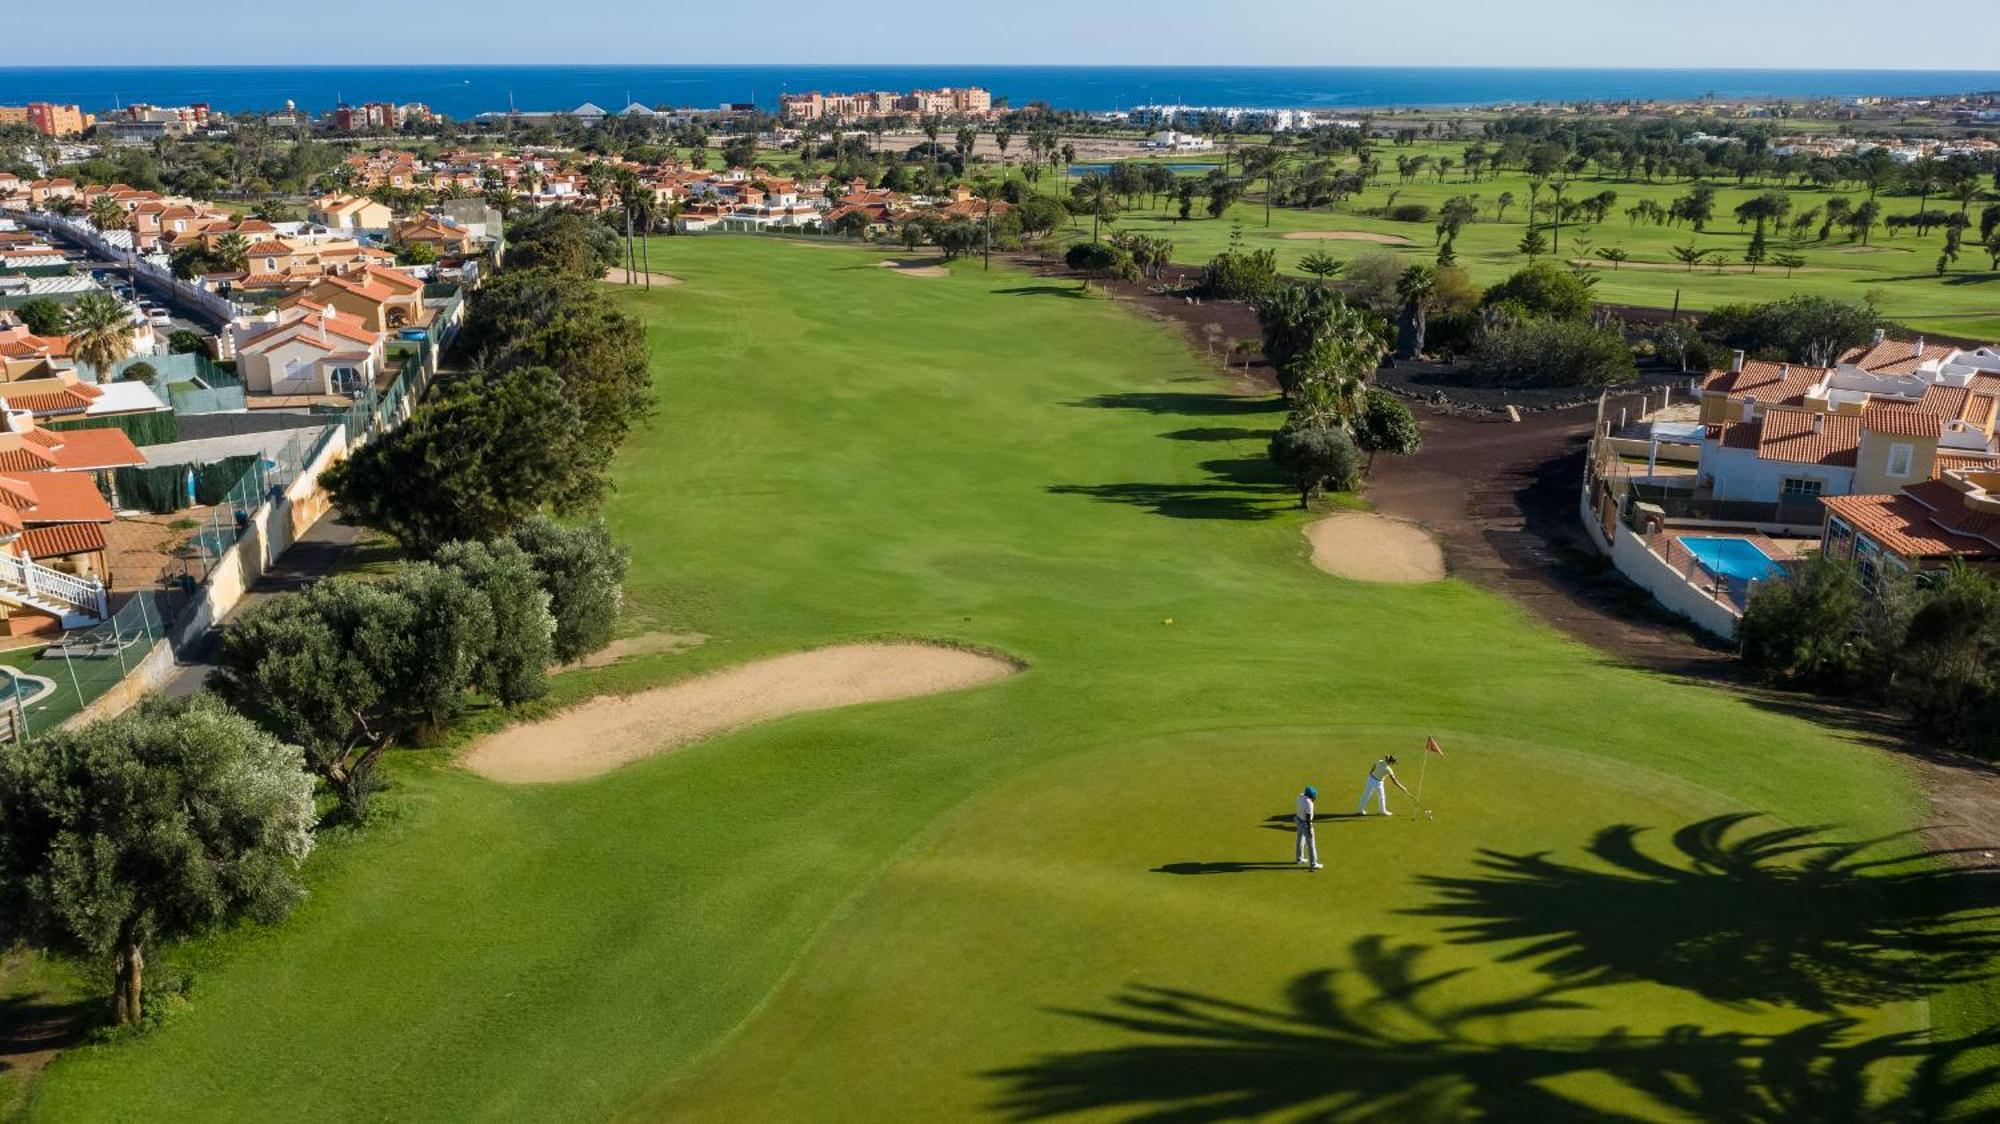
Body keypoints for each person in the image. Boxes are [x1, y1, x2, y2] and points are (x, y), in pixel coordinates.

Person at [1295, 785, 1323, 870]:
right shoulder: (1309, 804)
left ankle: (1299, 859)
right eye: (1314, 795)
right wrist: (1309, 829)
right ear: (1310, 796)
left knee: (1300, 839)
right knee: (1311, 845)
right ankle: (1313, 863)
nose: (1315, 797)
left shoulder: (1300, 796)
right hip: (1305, 823)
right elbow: (1308, 818)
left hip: (1298, 819)